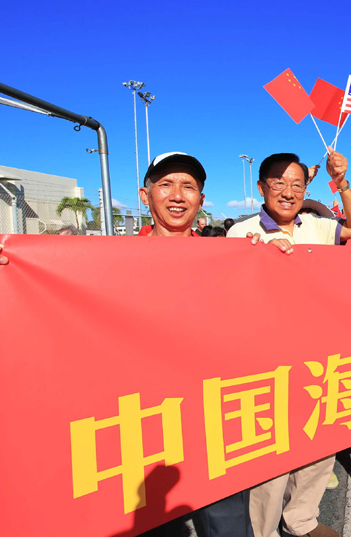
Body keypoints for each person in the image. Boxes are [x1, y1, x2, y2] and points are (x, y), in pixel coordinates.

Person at [229, 149, 351, 537]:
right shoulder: (240, 233)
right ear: (261, 187)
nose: (288, 191)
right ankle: (264, 530)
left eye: (296, 184)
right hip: (266, 361)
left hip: (320, 355)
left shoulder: (318, 225)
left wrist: (342, 182)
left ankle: (301, 520)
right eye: (278, 183)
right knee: (271, 458)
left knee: (319, 447)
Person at [135, 152, 255, 537]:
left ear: (201, 201)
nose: (177, 195)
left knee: (227, 521)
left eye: (188, 187)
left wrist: (275, 260)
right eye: (165, 184)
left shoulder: (228, 258)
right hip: (143, 418)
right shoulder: (108, 261)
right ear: (145, 195)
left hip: (214, 416)